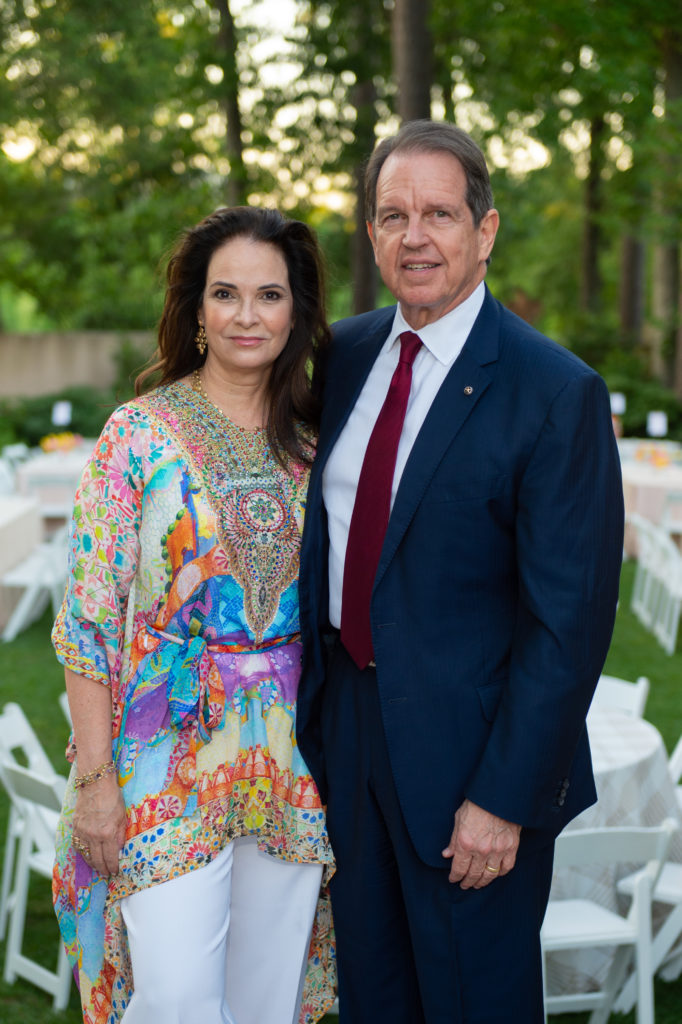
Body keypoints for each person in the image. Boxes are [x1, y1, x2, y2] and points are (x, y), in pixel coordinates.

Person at [296, 119, 624, 1023]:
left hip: (471, 766)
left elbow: (570, 624)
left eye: (439, 213)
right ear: (370, 235)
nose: (415, 236)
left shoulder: (555, 392)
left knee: (473, 1002)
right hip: (347, 740)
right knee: (372, 995)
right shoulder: (346, 354)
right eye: (393, 215)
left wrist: (503, 800)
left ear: (485, 231)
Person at [51, 206, 336, 1024]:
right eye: (226, 294)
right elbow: (89, 624)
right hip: (162, 752)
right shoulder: (136, 437)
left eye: (270, 295)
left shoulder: (320, 441)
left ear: (297, 311)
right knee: (175, 998)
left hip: (288, 754)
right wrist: (98, 783)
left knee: (265, 1003)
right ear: (198, 310)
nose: (248, 315)